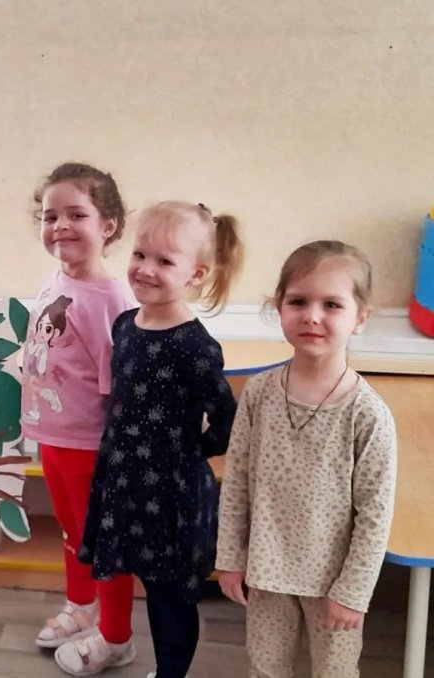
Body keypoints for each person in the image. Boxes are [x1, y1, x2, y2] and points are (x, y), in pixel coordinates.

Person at [77, 201, 243, 678]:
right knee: (148, 583)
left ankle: (171, 672)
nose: (146, 269)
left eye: (164, 261)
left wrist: (192, 453)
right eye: (140, 254)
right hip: (126, 482)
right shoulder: (125, 325)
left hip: (171, 493)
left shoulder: (196, 346)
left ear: (196, 274)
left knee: (170, 595)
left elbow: (226, 418)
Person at [216, 240, 397, 677]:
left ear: (360, 317)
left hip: (332, 580)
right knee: (266, 667)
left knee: (335, 671)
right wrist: (230, 557)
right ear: (279, 306)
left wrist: (353, 591)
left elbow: (375, 513)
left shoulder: (367, 414)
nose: (312, 316)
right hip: (266, 569)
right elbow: (236, 480)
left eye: (331, 304)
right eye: (298, 301)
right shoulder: (259, 393)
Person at [20, 163, 137, 675]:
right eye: (51, 216)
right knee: (72, 530)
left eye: (76, 214)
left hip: (91, 445)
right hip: (54, 435)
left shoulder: (112, 300)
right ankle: (82, 605)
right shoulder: (57, 279)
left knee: (104, 541)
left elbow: (118, 387)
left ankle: (116, 636)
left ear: (108, 225)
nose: (60, 225)